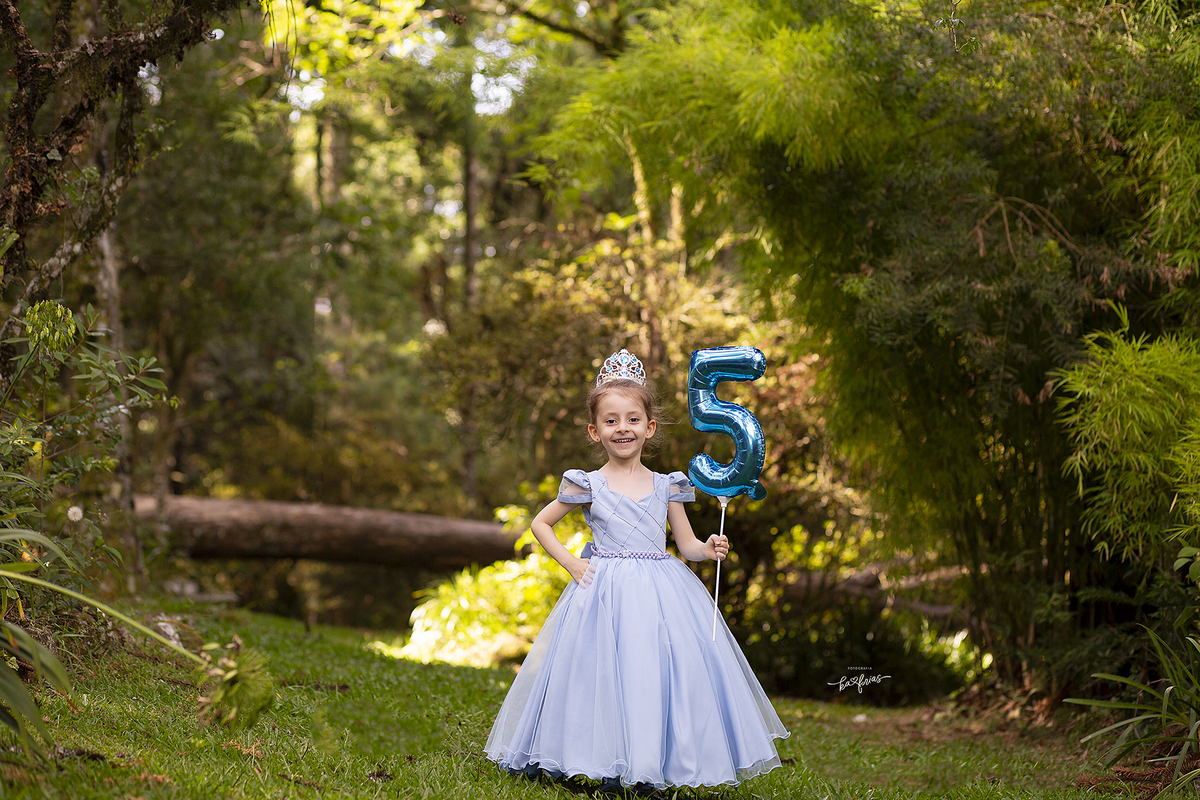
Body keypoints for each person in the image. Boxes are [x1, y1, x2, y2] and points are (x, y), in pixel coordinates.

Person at [484, 349, 789, 791]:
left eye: (631, 419)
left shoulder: (669, 485)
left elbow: (684, 545)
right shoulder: (587, 484)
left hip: (659, 591)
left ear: (649, 427)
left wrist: (709, 547)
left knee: (651, 672)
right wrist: (572, 563)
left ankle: (651, 762)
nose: (621, 428)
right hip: (602, 588)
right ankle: (590, 755)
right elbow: (541, 524)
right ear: (594, 431)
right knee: (597, 673)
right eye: (610, 421)